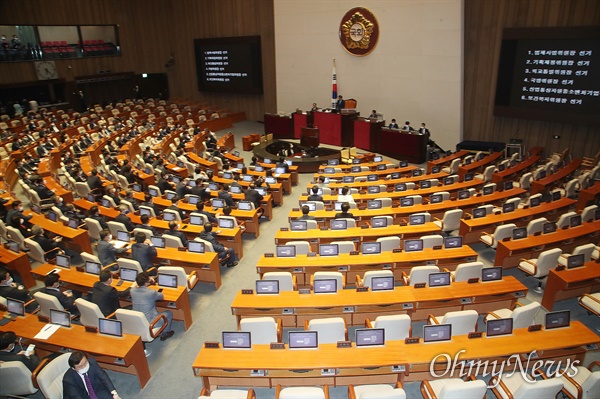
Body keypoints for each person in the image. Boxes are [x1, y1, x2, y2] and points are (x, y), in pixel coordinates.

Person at [131, 272, 174, 341]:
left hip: (137, 321)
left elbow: (135, 288)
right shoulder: (151, 292)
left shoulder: (132, 291)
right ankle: (165, 334)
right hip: (151, 323)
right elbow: (161, 296)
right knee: (169, 313)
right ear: (146, 282)